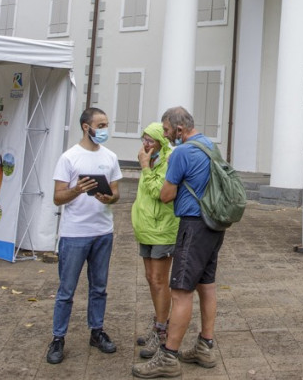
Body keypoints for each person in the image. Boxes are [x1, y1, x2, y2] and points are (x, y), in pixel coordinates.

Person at [132, 106, 225, 378]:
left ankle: (169, 357)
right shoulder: (210, 145)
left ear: (180, 129)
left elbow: (165, 195)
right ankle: (205, 346)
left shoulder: (182, 152)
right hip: (213, 225)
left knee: (181, 291)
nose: (165, 135)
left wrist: (147, 168)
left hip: (193, 225)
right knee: (206, 286)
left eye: (167, 130)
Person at [46, 107, 122, 365]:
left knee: (99, 288)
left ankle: (97, 332)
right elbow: (58, 197)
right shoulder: (69, 158)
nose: (104, 130)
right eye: (100, 125)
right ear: (85, 127)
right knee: (66, 290)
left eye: (106, 125)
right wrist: (78, 189)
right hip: (74, 234)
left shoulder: (110, 157)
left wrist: (108, 197)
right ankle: (58, 338)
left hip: (103, 232)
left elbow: (116, 192)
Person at [132, 122, 178, 359]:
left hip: (162, 229)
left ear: (162, 140)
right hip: (146, 228)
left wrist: (145, 167)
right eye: (144, 139)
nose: (145, 144)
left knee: (160, 280)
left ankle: (162, 331)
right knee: (151, 279)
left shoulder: (169, 160)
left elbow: (159, 194)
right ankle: (158, 323)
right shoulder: (151, 159)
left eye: (150, 140)